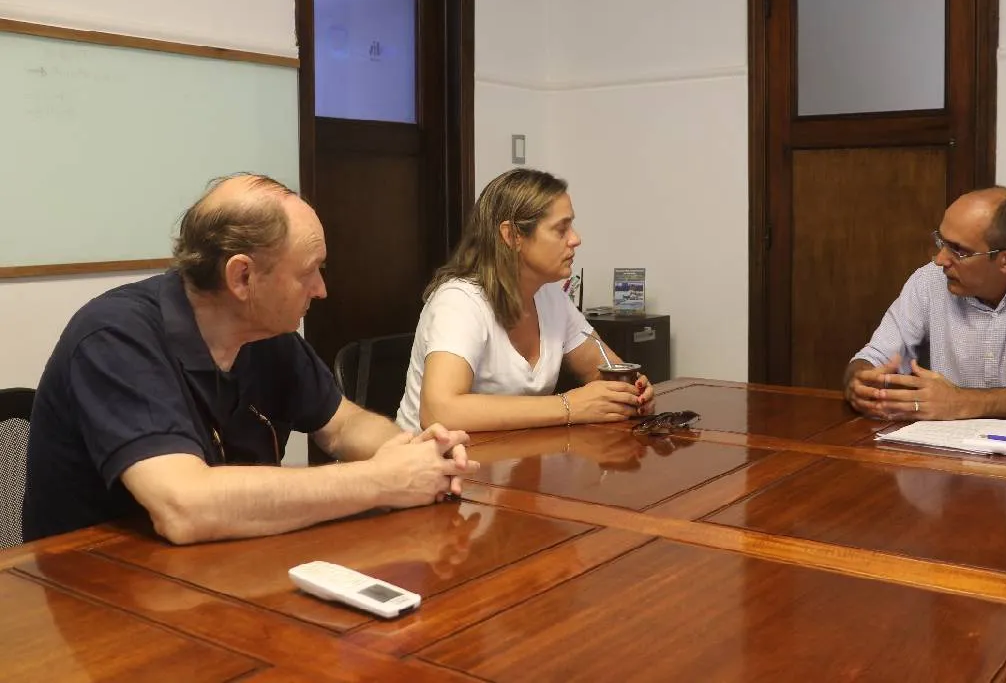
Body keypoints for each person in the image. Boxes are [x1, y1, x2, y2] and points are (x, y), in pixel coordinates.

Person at [22, 174, 477, 545]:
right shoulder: (115, 338)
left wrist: (414, 455)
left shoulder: (265, 332)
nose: (321, 289)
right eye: (308, 272)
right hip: (95, 597)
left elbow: (343, 425)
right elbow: (185, 507)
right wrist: (382, 481)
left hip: (221, 566)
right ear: (242, 276)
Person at [397, 168, 656, 433]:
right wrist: (569, 406)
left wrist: (630, 391)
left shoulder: (551, 296)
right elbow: (439, 412)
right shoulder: (460, 302)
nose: (576, 239)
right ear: (512, 236)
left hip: (508, 461)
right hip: (432, 465)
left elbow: (603, 370)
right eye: (561, 229)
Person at [843, 186, 1006, 421]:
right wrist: (860, 381)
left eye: (959, 250)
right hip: (943, 456)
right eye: (941, 241)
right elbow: (872, 358)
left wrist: (962, 402)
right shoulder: (928, 280)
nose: (940, 259)